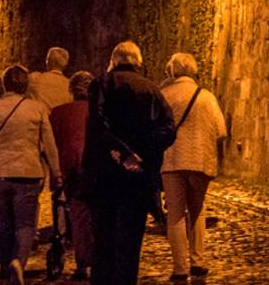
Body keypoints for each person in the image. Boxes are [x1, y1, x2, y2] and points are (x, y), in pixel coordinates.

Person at [80, 41, 176, 285]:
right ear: (138, 62)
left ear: (113, 61)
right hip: (138, 179)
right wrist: (141, 151)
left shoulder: (102, 85)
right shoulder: (152, 90)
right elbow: (168, 130)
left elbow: (97, 126)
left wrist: (122, 152)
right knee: (129, 245)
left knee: (103, 242)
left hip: (104, 177)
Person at [0, 65, 63, 285]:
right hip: (27, 172)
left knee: (2, 223)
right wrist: (56, 173)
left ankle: (5, 263)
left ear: (5, 84)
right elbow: (50, 146)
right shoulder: (37, 109)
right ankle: (18, 261)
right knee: (26, 223)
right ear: (25, 85)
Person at [159, 53, 227, 281]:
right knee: (197, 210)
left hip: (171, 161)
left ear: (172, 70)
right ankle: (198, 261)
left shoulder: (164, 95)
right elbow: (221, 131)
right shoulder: (206, 97)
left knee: (175, 214)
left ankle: (179, 267)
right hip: (200, 161)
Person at [49, 71, 95, 281]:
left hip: (71, 169)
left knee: (79, 215)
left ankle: (84, 262)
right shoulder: (99, 111)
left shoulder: (59, 113)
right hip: (96, 167)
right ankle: (99, 258)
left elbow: (51, 144)